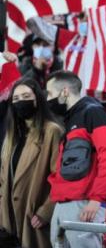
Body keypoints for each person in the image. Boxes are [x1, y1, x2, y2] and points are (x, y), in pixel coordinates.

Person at [46, 71, 106, 248]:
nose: (48, 99)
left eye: (49, 93)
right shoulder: (72, 117)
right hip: (65, 202)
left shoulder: (93, 113)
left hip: (84, 203)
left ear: (64, 91)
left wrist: (97, 199)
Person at [0, 78, 63, 248]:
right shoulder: (11, 135)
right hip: (8, 221)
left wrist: (46, 211)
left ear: (37, 99)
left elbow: (60, 176)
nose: (21, 102)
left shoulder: (51, 131)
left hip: (34, 218)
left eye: (26, 96)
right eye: (16, 99)